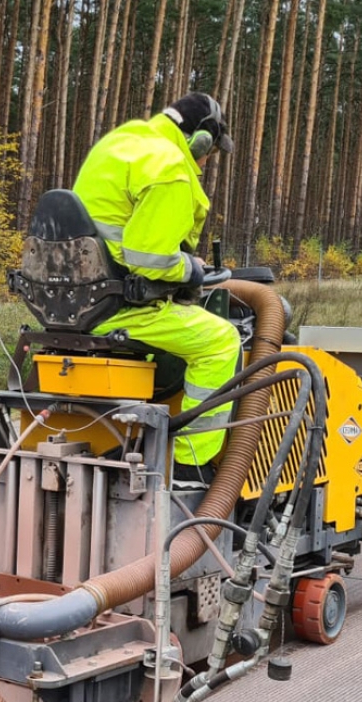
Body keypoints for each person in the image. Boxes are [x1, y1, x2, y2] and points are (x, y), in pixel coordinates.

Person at [72, 93, 240, 490]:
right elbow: (148, 257)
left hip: (72, 302)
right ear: (199, 140)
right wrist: (191, 269)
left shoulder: (122, 141)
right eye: (209, 153)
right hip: (116, 307)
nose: (205, 163)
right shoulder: (170, 168)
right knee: (221, 342)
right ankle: (191, 468)